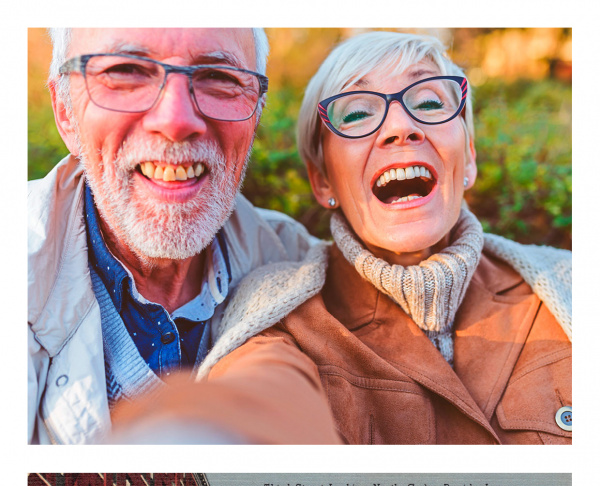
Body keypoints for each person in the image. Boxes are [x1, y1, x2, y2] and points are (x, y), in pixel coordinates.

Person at [193, 30, 571, 444]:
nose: (401, 127)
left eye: (429, 103)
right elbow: (256, 405)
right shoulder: (279, 318)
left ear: (470, 158)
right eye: (356, 114)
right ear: (322, 181)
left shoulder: (569, 286)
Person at [28, 27, 339, 444]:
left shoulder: (299, 266)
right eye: (126, 72)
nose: (175, 121)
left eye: (219, 78)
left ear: (256, 113)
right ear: (65, 111)